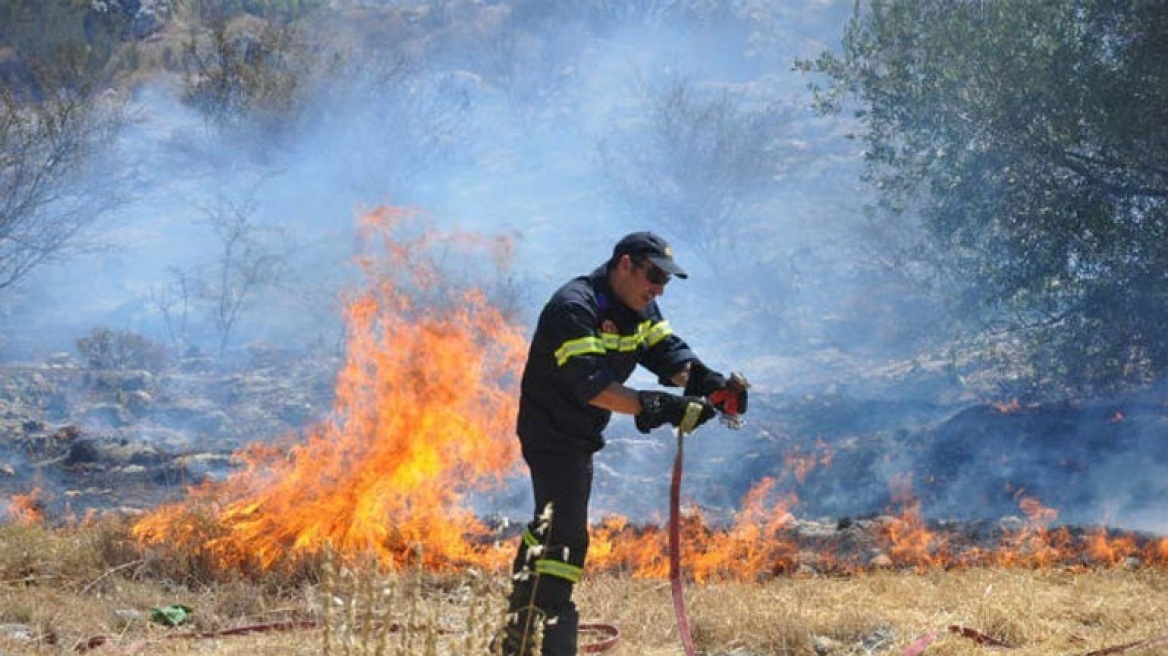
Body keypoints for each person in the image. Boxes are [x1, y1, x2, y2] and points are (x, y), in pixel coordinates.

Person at [496, 231, 749, 656]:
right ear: (625, 264)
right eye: (653, 276)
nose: (659, 288)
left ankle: (518, 637)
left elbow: (668, 355)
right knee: (565, 534)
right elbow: (596, 389)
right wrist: (663, 408)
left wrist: (710, 383)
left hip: (581, 434)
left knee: (552, 526)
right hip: (551, 431)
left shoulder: (640, 307)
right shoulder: (573, 307)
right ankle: (551, 630)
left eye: (666, 282)